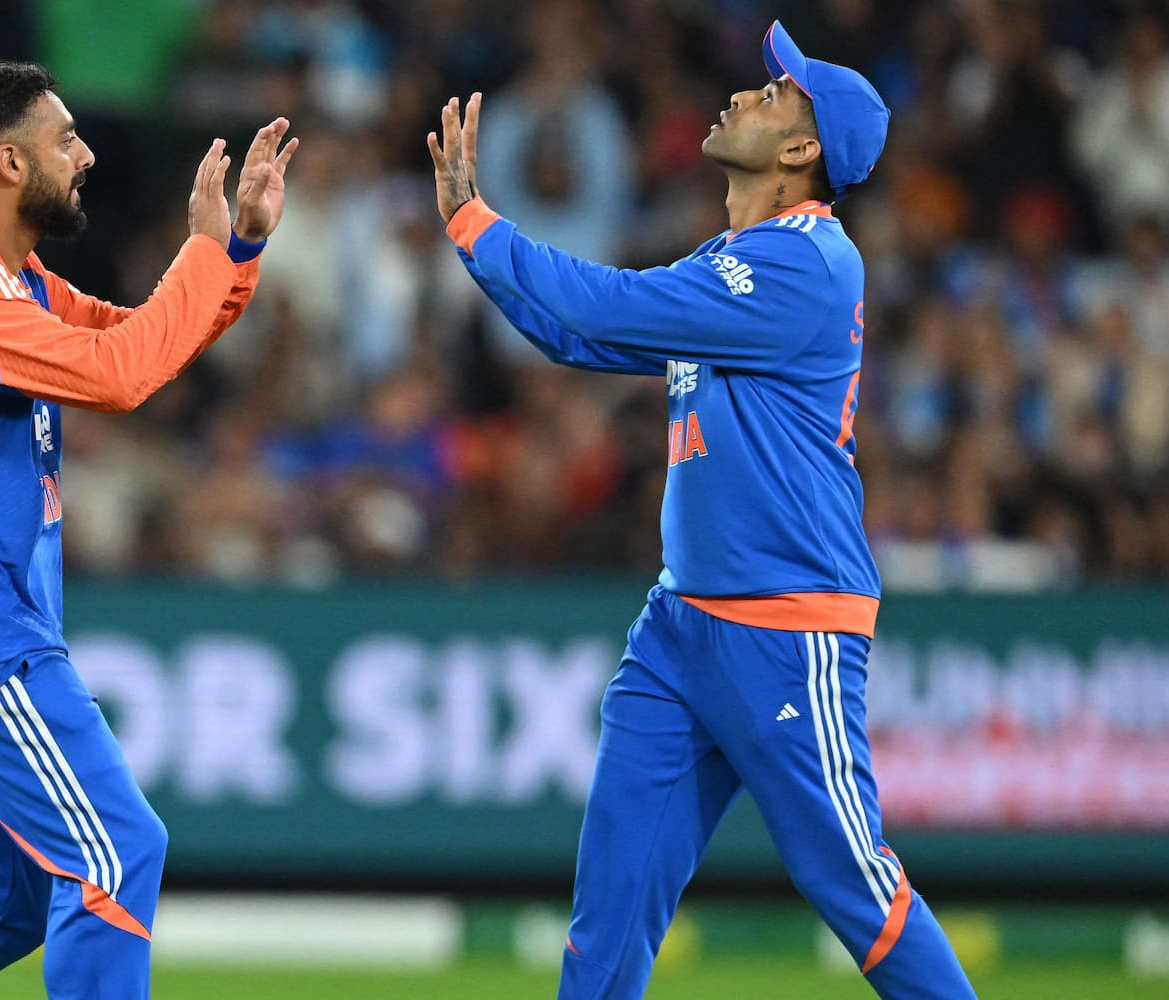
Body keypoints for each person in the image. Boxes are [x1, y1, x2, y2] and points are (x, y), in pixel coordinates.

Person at [427, 22, 976, 1000]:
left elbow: (604, 308)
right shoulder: (737, 257)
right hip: (679, 630)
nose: (746, 93)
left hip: (785, 623)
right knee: (608, 915)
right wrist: (473, 238)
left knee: (850, 881)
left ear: (800, 151)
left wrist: (480, 230)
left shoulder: (806, 262)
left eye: (775, 95)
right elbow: (575, 337)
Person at [0, 61, 296, 999]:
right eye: (65, 137)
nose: (88, 153)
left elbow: (141, 337)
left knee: (3, 901)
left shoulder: (1, 278)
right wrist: (203, 253)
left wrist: (233, 252)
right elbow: (120, 375)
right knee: (116, 854)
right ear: (9, 163)